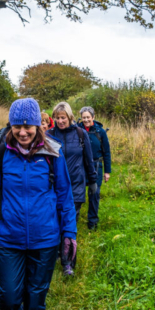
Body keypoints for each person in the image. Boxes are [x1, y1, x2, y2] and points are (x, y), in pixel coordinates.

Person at [0, 98, 77, 310]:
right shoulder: (1, 152)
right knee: (9, 296)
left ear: (38, 125)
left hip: (45, 238)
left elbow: (64, 196)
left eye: (28, 126)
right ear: (11, 125)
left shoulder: (52, 153)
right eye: (17, 126)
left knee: (36, 296)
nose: (22, 132)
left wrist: (69, 233)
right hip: (9, 237)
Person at [48, 102, 97, 275]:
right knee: (54, 223)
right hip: (53, 188)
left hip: (75, 187)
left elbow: (88, 160)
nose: (60, 121)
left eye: (63, 117)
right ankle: (55, 253)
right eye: (57, 117)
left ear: (69, 117)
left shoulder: (81, 134)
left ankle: (67, 262)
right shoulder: (49, 135)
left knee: (70, 224)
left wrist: (92, 183)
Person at [77, 106, 112, 230]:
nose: (86, 120)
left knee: (94, 193)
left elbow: (106, 152)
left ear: (93, 117)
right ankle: (74, 218)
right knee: (77, 193)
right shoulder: (77, 129)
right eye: (83, 117)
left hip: (96, 165)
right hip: (80, 165)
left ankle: (92, 222)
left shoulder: (100, 131)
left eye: (88, 117)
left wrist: (107, 171)